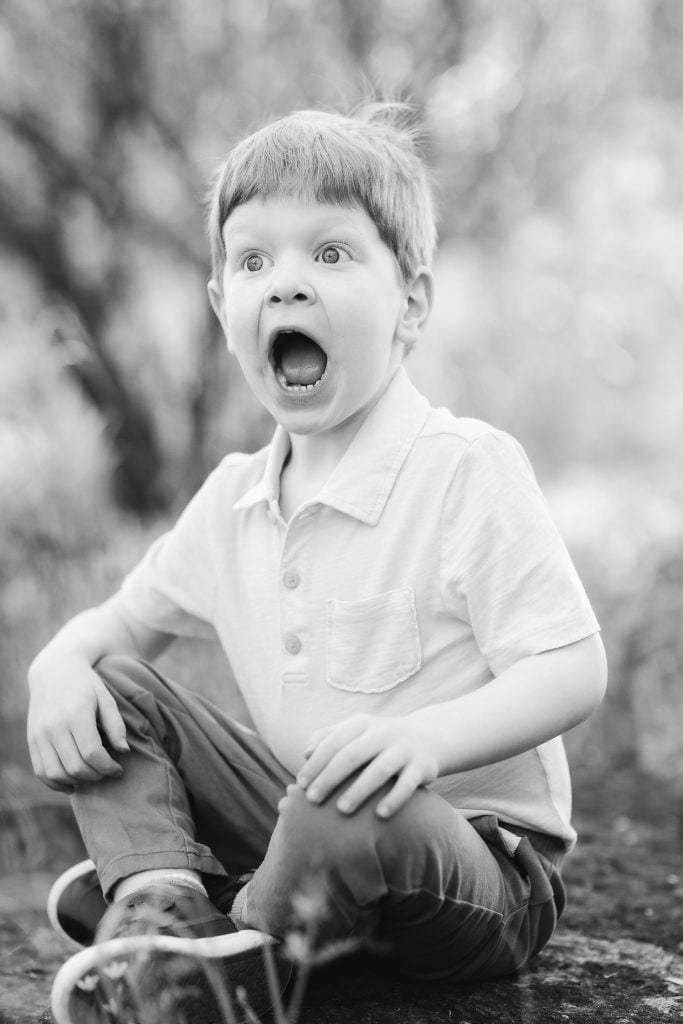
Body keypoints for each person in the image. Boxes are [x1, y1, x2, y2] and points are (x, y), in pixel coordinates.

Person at [27, 103, 607, 1024]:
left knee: (345, 806)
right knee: (112, 684)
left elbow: (573, 668)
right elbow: (118, 629)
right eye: (253, 261)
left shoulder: (462, 469)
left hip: (476, 867)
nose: (286, 286)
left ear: (410, 302)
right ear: (224, 309)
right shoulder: (232, 500)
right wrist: (54, 664)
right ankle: (165, 896)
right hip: (306, 821)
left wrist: (425, 742)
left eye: (330, 255)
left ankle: (229, 950)